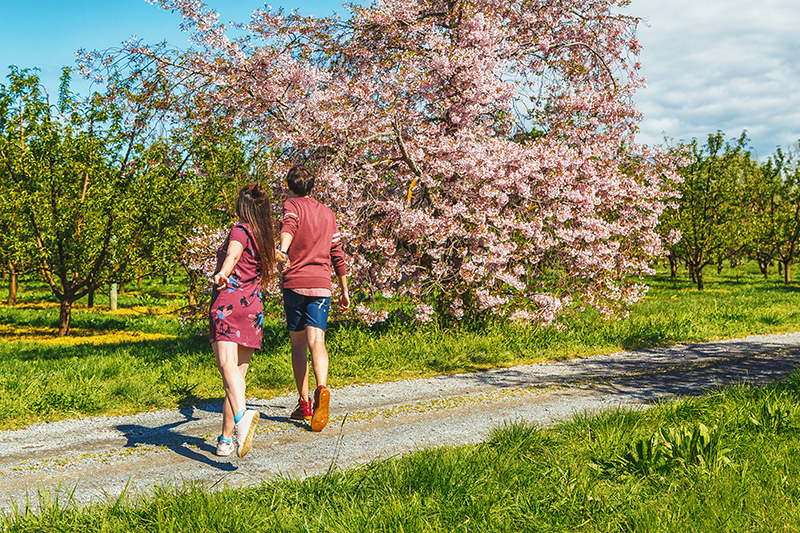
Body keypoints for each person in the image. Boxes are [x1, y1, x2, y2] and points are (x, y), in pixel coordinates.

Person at [278, 165, 350, 432]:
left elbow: (289, 224)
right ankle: (322, 387)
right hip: (323, 284)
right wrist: (343, 289)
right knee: (317, 340)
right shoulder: (328, 213)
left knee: (298, 342)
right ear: (313, 186)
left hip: (295, 283)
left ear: (289, 186)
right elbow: (337, 251)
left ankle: (305, 403)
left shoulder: (292, 205)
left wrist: (283, 251)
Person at [209, 183, 278, 458]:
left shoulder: (240, 229)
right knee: (237, 376)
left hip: (229, 303)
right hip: (253, 308)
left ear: (243, 206)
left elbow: (233, 253)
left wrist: (224, 272)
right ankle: (226, 440)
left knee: (226, 367)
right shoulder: (265, 236)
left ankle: (241, 417)